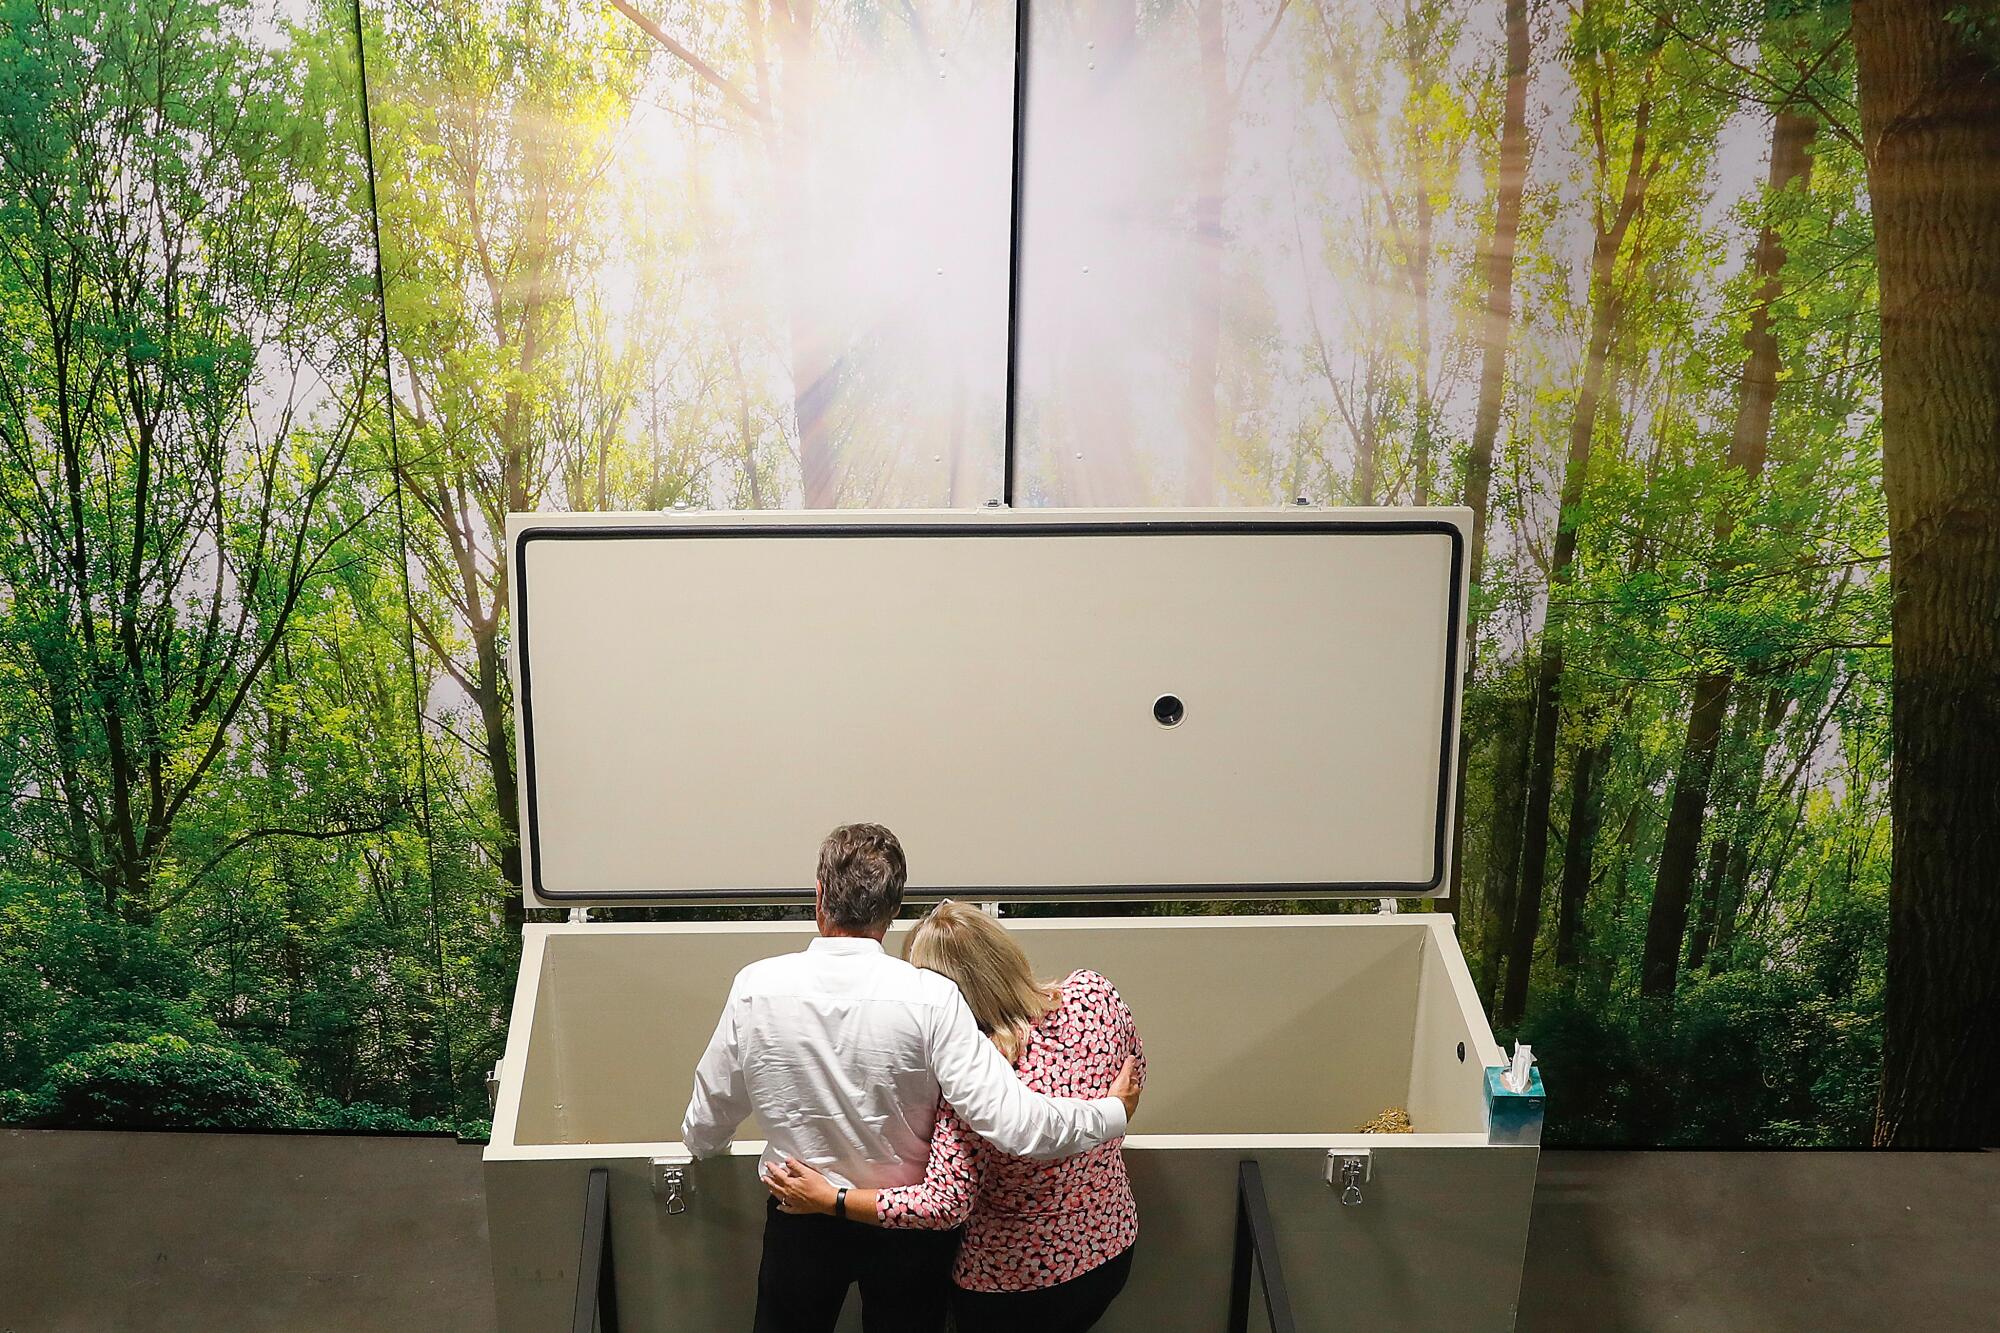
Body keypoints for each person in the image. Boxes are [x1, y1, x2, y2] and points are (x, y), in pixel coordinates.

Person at [681, 824, 1141, 1333]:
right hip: (906, 1227)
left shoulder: (755, 987)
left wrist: (704, 1147)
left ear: (819, 893)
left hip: (800, 1207)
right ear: (893, 908)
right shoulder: (933, 998)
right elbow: (1013, 1123)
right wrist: (1111, 1112)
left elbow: (711, 1108)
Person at [763, 901, 1145, 1333]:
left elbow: (944, 1204)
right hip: (1110, 1247)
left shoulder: (977, 1080)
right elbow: (1132, 1083)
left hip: (1014, 1283)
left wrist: (829, 1199)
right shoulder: (1096, 996)